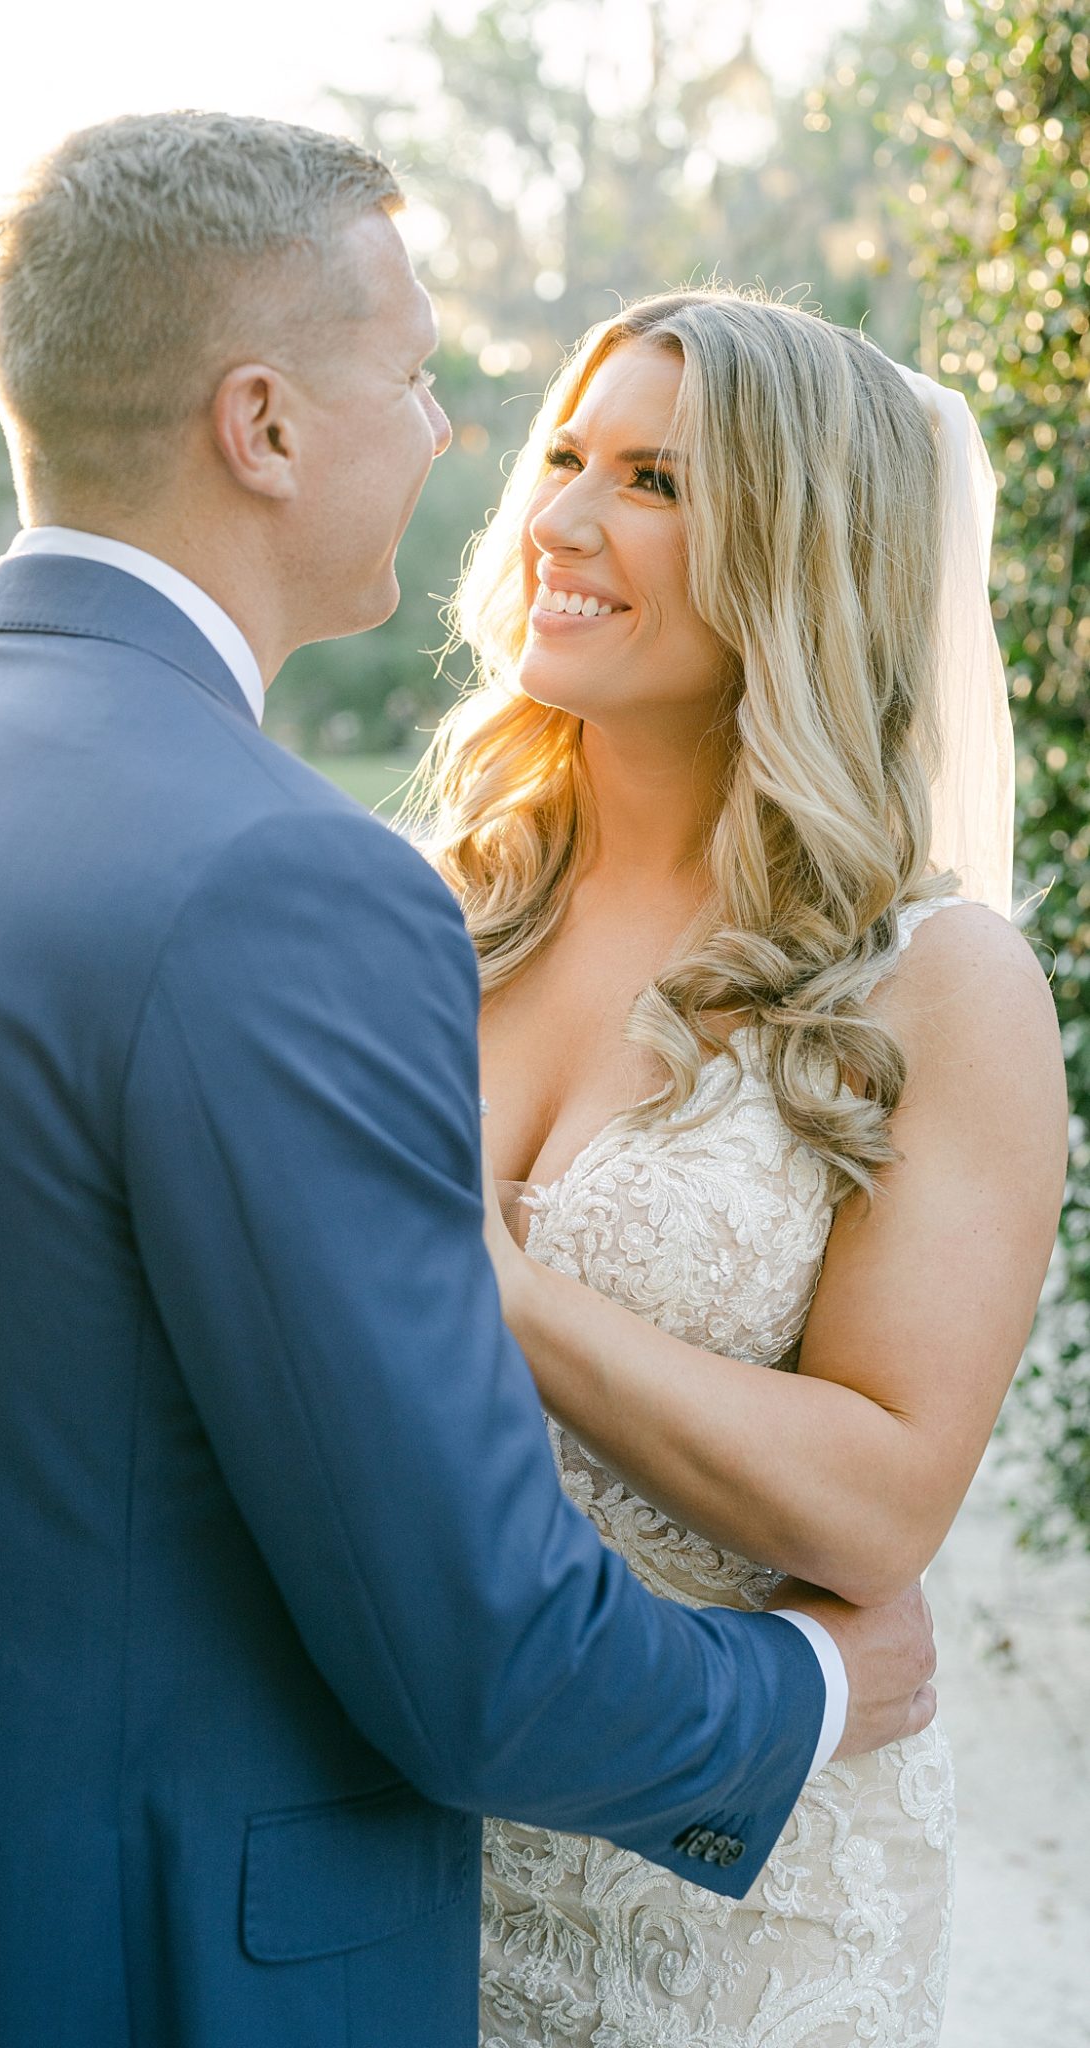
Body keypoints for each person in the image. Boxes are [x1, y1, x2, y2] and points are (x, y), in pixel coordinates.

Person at [0, 122, 936, 2048]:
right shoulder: (293, 882)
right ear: (265, 426)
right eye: (420, 377)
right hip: (165, 1964)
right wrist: (796, 1694)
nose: (453, 436)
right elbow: (473, 1658)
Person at [407, 288, 1066, 2045]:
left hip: (733, 1909)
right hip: (396, 1851)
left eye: (650, 481)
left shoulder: (935, 984)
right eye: (561, 459)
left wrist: (499, 1297)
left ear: (797, 552)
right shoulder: (433, 919)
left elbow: (880, 1503)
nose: (556, 521)